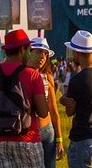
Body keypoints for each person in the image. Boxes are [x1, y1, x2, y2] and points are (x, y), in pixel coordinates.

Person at [0, 29, 49, 167]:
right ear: (22, 49)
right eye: (28, 49)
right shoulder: (33, 75)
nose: (29, 53)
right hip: (28, 140)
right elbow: (43, 113)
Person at [59, 30, 92, 168]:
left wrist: (64, 100)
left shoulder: (77, 79)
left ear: (76, 53)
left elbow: (70, 112)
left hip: (84, 139)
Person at [26, 37, 64, 168]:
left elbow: (53, 110)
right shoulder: (21, 75)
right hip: (28, 132)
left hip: (47, 132)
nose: (42, 56)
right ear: (29, 52)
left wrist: (59, 139)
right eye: (38, 51)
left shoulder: (47, 77)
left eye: (45, 53)